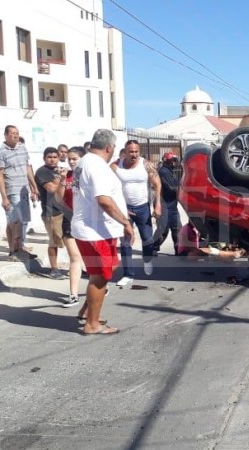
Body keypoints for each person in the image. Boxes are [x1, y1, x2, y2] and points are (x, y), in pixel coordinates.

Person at [70, 129, 133, 335]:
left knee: (110, 267)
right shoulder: (96, 166)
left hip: (97, 228)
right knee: (99, 277)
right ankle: (92, 324)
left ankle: (87, 311)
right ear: (109, 147)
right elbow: (103, 200)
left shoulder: (85, 162)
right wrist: (125, 222)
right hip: (94, 230)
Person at [111, 140, 162, 284]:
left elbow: (157, 184)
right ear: (125, 152)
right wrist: (119, 208)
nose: (133, 154)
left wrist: (157, 204)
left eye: (136, 151)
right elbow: (108, 187)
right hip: (124, 209)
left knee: (147, 239)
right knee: (126, 242)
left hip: (143, 207)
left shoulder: (146, 165)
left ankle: (147, 260)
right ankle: (128, 274)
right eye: (130, 151)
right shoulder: (115, 166)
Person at [0, 125, 39, 261]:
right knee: (14, 221)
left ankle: (20, 248)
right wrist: (4, 197)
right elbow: (0, 175)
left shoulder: (22, 148)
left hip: (24, 189)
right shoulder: (1, 152)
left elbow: (28, 168)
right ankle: (13, 251)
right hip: (12, 190)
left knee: (23, 221)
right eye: (13, 133)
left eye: (17, 133)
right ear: (6, 135)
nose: (15, 135)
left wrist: (34, 187)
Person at [54, 146, 86, 308]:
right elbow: (59, 199)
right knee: (75, 258)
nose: (71, 161)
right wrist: (62, 180)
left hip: (88, 220)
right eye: (70, 159)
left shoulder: (89, 175)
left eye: (75, 158)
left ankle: (101, 284)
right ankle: (73, 295)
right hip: (69, 219)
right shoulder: (66, 176)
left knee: (89, 257)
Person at [33, 147, 68, 279]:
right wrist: (60, 178)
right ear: (44, 158)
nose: (52, 159)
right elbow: (52, 189)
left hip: (64, 211)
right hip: (51, 212)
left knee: (69, 241)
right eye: (49, 157)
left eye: (55, 157)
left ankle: (74, 266)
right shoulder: (42, 172)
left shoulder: (60, 170)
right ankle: (54, 269)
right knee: (54, 242)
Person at [176, 220, 244, 260]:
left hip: (195, 248)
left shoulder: (196, 228)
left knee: (216, 247)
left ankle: (230, 252)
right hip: (184, 254)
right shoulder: (185, 229)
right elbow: (187, 247)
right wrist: (204, 248)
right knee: (207, 250)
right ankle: (233, 254)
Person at [155, 152, 181, 255]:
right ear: (167, 161)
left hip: (172, 204)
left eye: (175, 160)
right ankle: (152, 247)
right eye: (172, 160)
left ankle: (178, 250)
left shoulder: (171, 171)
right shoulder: (164, 171)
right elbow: (170, 187)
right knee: (163, 229)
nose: (174, 162)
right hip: (164, 204)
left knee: (177, 228)